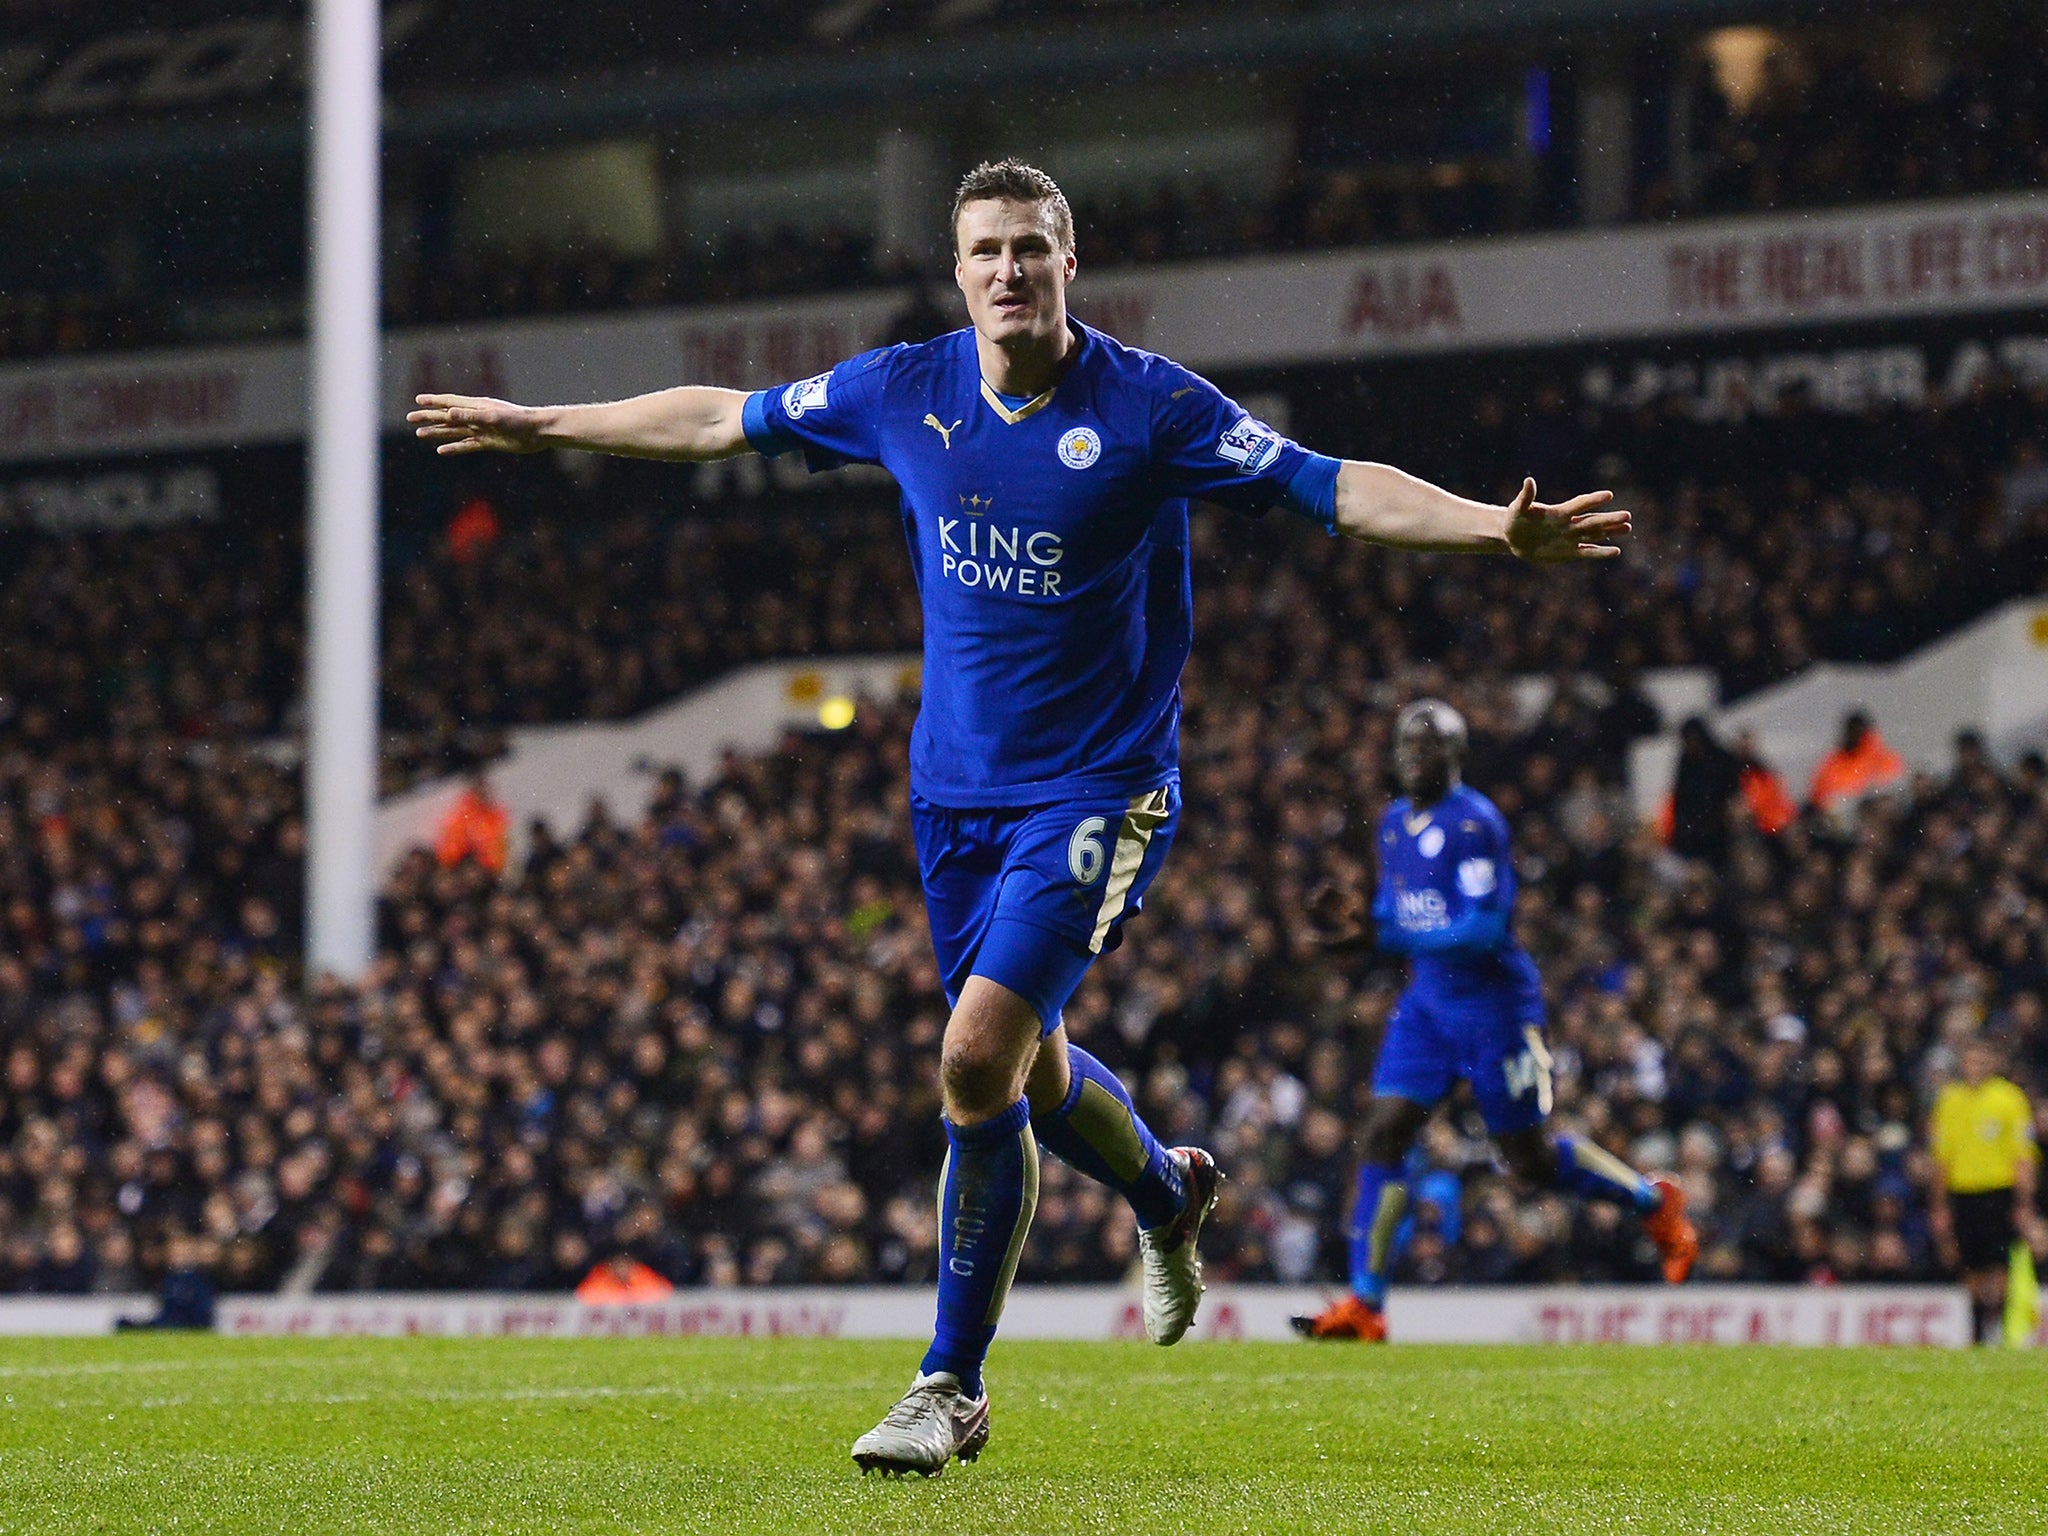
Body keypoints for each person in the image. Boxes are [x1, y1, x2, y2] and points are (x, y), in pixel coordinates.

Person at [410, 159, 1630, 1474]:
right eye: (984, 250)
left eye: (1028, 251)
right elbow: (720, 421)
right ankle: (1167, 1190)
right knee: (1034, 1081)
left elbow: (1329, 486)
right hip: (954, 802)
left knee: (974, 1056)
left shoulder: (1153, 406)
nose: (1006, 272)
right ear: (958, 270)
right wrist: (543, 429)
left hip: (1102, 792)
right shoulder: (903, 389)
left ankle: (950, 1385)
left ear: (1067, 263)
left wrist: (1490, 534)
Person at [1292, 700, 1695, 1341]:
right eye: (1404, 746)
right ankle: (1366, 1304)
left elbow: (1483, 929)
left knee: (1527, 1160)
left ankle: (1653, 1202)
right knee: (1385, 1130)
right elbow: (1391, 913)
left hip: (1496, 1012)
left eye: (1425, 749)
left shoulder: (1476, 824)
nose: (1411, 759)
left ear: (1454, 757)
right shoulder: (1393, 824)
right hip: (1428, 1008)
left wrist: (1386, 939)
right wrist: (1361, 932)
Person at [1928, 1037, 2042, 1345]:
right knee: (1971, 1266)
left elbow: (2023, 1154)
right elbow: (1941, 1158)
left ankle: (2004, 1329)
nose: (1975, 1067)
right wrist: (1938, 1205)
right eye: (1970, 1061)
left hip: (1999, 1192)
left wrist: (2023, 1201)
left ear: (1992, 1063)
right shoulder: (1949, 1100)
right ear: (1962, 1064)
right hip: (1964, 1193)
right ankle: (1977, 1331)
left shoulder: (2009, 1099)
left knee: (2000, 1264)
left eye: (1981, 1061)